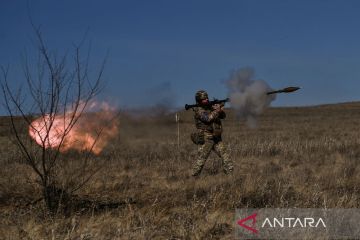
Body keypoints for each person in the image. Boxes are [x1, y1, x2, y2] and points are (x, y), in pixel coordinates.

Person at [191, 90, 234, 176]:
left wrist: (220, 109)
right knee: (202, 159)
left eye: (207, 98)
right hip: (206, 137)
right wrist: (217, 110)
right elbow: (208, 118)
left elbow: (223, 116)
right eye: (204, 99)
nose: (206, 100)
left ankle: (230, 175)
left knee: (225, 155)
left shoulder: (210, 107)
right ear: (199, 100)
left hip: (216, 136)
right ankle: (193, 177)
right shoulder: (199, 110)